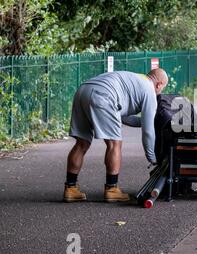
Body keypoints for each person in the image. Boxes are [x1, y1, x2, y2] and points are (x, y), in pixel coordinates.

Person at [63, 69, 168, 203]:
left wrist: (148, 120)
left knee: (81, 143)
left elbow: (121, 116)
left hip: (83, 91)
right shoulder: (150, 91)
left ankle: (70, 189)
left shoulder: (136, 79)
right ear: (159, 85)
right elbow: (148, 132)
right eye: (162, 88)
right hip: (104, 96)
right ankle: (112, 189)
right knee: (114, 144)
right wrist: (152, 158)